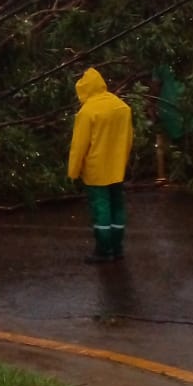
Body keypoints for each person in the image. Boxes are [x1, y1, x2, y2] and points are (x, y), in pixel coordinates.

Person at [68, 67, 134, 264]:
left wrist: (73, 171)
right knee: (117, 206)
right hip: (117, 167)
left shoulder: (87, 112)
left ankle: (103, 250)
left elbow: (79, 145)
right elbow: (129, 138)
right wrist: (123, 160)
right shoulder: (122, 107)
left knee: (101, 208)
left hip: (96, 170)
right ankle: (117, 247)